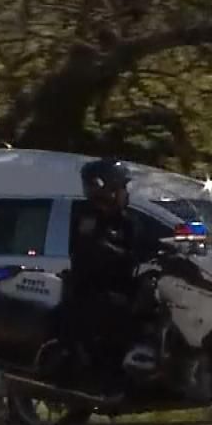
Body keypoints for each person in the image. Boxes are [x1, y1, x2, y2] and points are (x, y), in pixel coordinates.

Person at [59, 158, 152, 389]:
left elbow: (146, 246)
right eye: (121, 187)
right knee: (118, 314)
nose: (125, 193)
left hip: (124, 286)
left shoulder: (128, 220)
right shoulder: (87, 219)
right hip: (93, 290)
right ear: (105, 189)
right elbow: (90, 250)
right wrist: (117, 254)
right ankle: (108, 375)